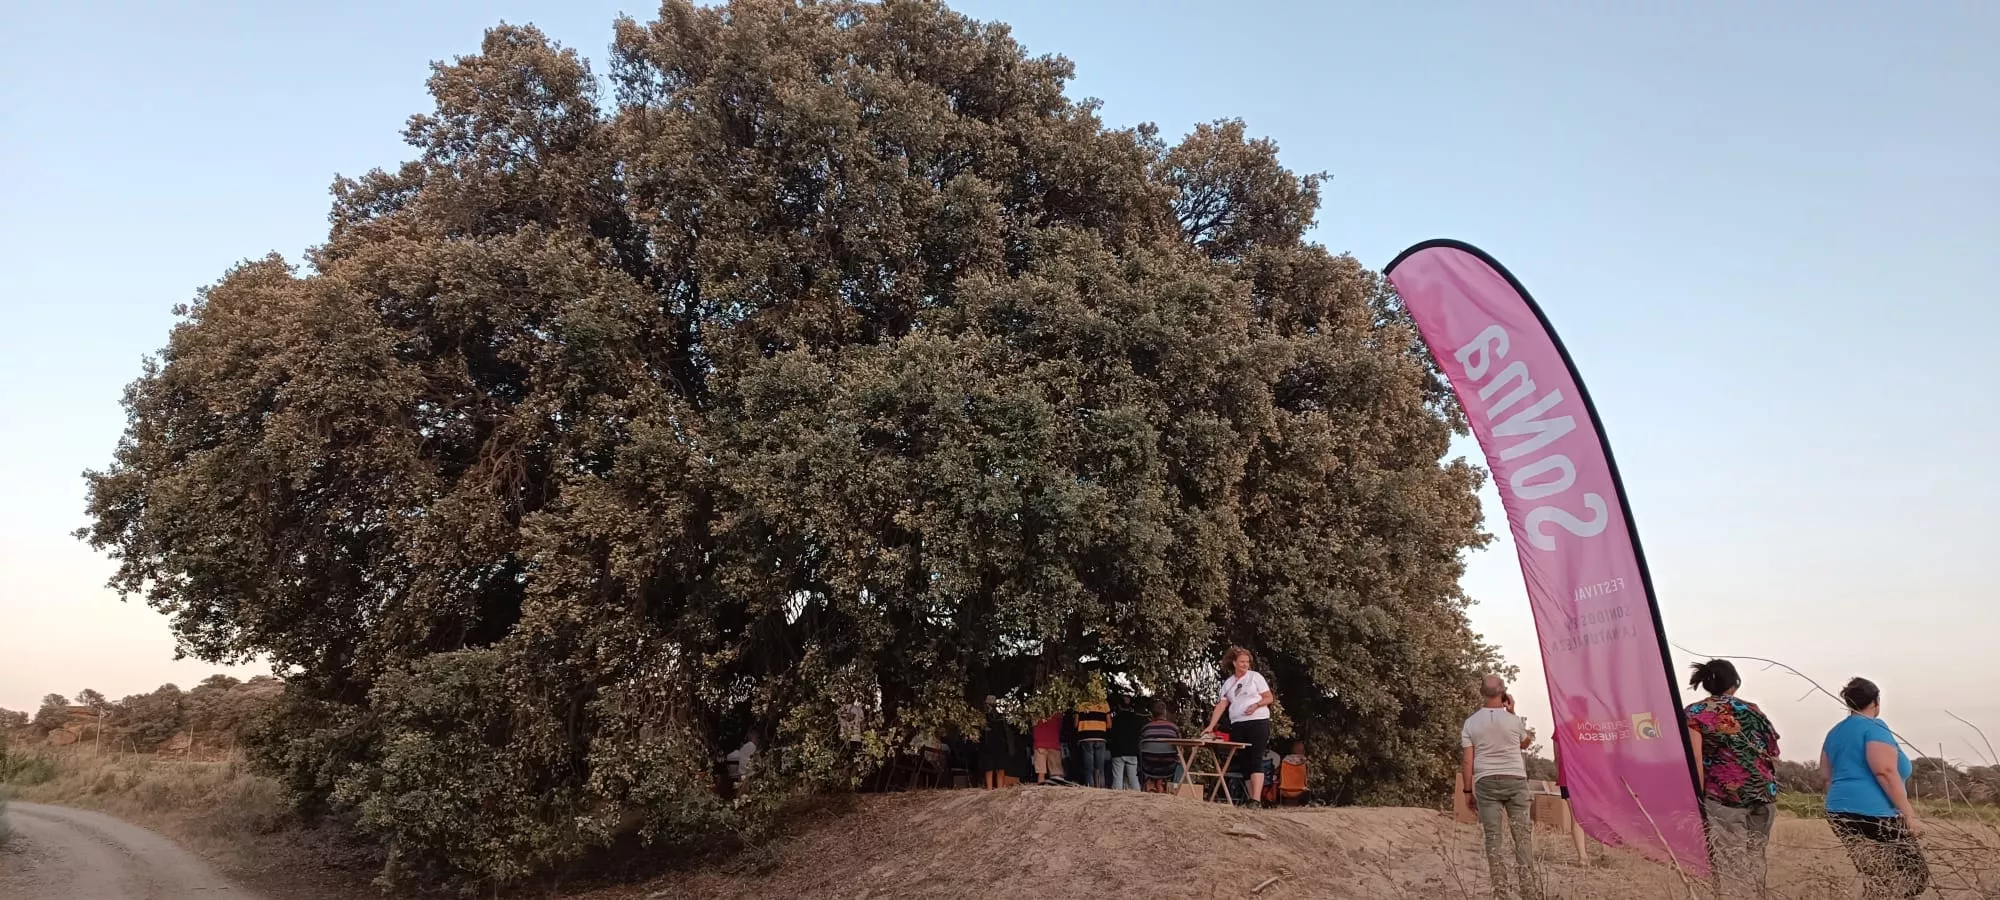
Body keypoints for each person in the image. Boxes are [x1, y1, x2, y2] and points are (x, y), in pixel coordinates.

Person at [1822, 677, 1930, 899]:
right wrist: (1910, 815)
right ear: (1876, 701)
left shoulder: (1834, 732)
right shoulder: (1874, 727)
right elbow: (1885, 771)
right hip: (1873, 812)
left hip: (1838, 811)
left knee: (1876, 875)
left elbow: (1826, 775)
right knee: (1914, 877)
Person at [1682, 659, 1781, 898]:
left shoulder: (1695, 713)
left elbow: (1695, 759)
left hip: (1724, 797)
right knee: (1756, 857)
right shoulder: (1753, 710)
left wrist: (1696, 796)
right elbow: (1773, 751)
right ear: (1736, 683)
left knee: (1729, 864)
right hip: (1764, 794)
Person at [1462, 675, 1538, 900]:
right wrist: (1512, 712)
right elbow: (1525, 743)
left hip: (1486, 782)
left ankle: (1501, 891)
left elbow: (1468, 761)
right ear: (1504, 693)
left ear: (1481, 693)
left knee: (1493, 838)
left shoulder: (1471, 723)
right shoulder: (1513, 721)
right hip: (1515, 780)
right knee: (1521, 836)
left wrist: (1468, 791)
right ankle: (1528, 891)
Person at [1202, 647, 1275, 805]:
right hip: (1238, 724)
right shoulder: (1228, 683)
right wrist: (1211, 725)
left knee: (1255, 758)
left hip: (1257, 722)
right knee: (1244, 762)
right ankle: (1250, 798)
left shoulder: (1255, 677)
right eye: (1242, 661)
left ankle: (1256, 799)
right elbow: (1221, 705)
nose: (1245, 664)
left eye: (1247, 662)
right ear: (1234, 663)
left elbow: (1269, 697)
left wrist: (1256, 705)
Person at [1139, 700, 1183, 791]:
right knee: (1181, 762)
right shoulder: (1174, 728)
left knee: (1152, 757)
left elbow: (1140, 748)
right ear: (1165, 712)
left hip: (1148, 766)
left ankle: (1149, 783)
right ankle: (1175, 789)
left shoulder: (1145, 728)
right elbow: (1180, 749)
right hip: (1168, 767)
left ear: (1152, 714)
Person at [1074, 691, 1112, 788]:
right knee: (1099, 768)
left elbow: (1075, 724)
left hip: (1086, 737)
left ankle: (1090, 790)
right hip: (1100, 737)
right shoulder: (1104, 703)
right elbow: (1109, 724)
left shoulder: (1081, 703)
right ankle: (1100, 788)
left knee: (1088, 768)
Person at [1108, 695, 1145, 791]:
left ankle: (1117, 799)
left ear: (1119, 706)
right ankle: (1138, 797)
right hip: (1132, 751)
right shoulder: (1137, 719)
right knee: (1133, 779)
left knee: (1117, 779)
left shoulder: (1115, 719)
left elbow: (1110, 734)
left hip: (1118, 751)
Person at [979, 696, 1015, 790]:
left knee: (996, 768)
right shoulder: (987, 717)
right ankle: (993, 789)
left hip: (996, 745)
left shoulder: (998, 717)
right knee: (991, 768)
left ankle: (997, 789)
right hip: (992, 746)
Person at [1031, 713, 1064, 784]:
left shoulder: (1035, 711)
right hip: (1053, 741)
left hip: (1039, 741)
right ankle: (1057, 790)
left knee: (1041, 772)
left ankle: (1041, 788)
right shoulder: (1057, 713)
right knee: (1056, 771)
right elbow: (1060, 726)